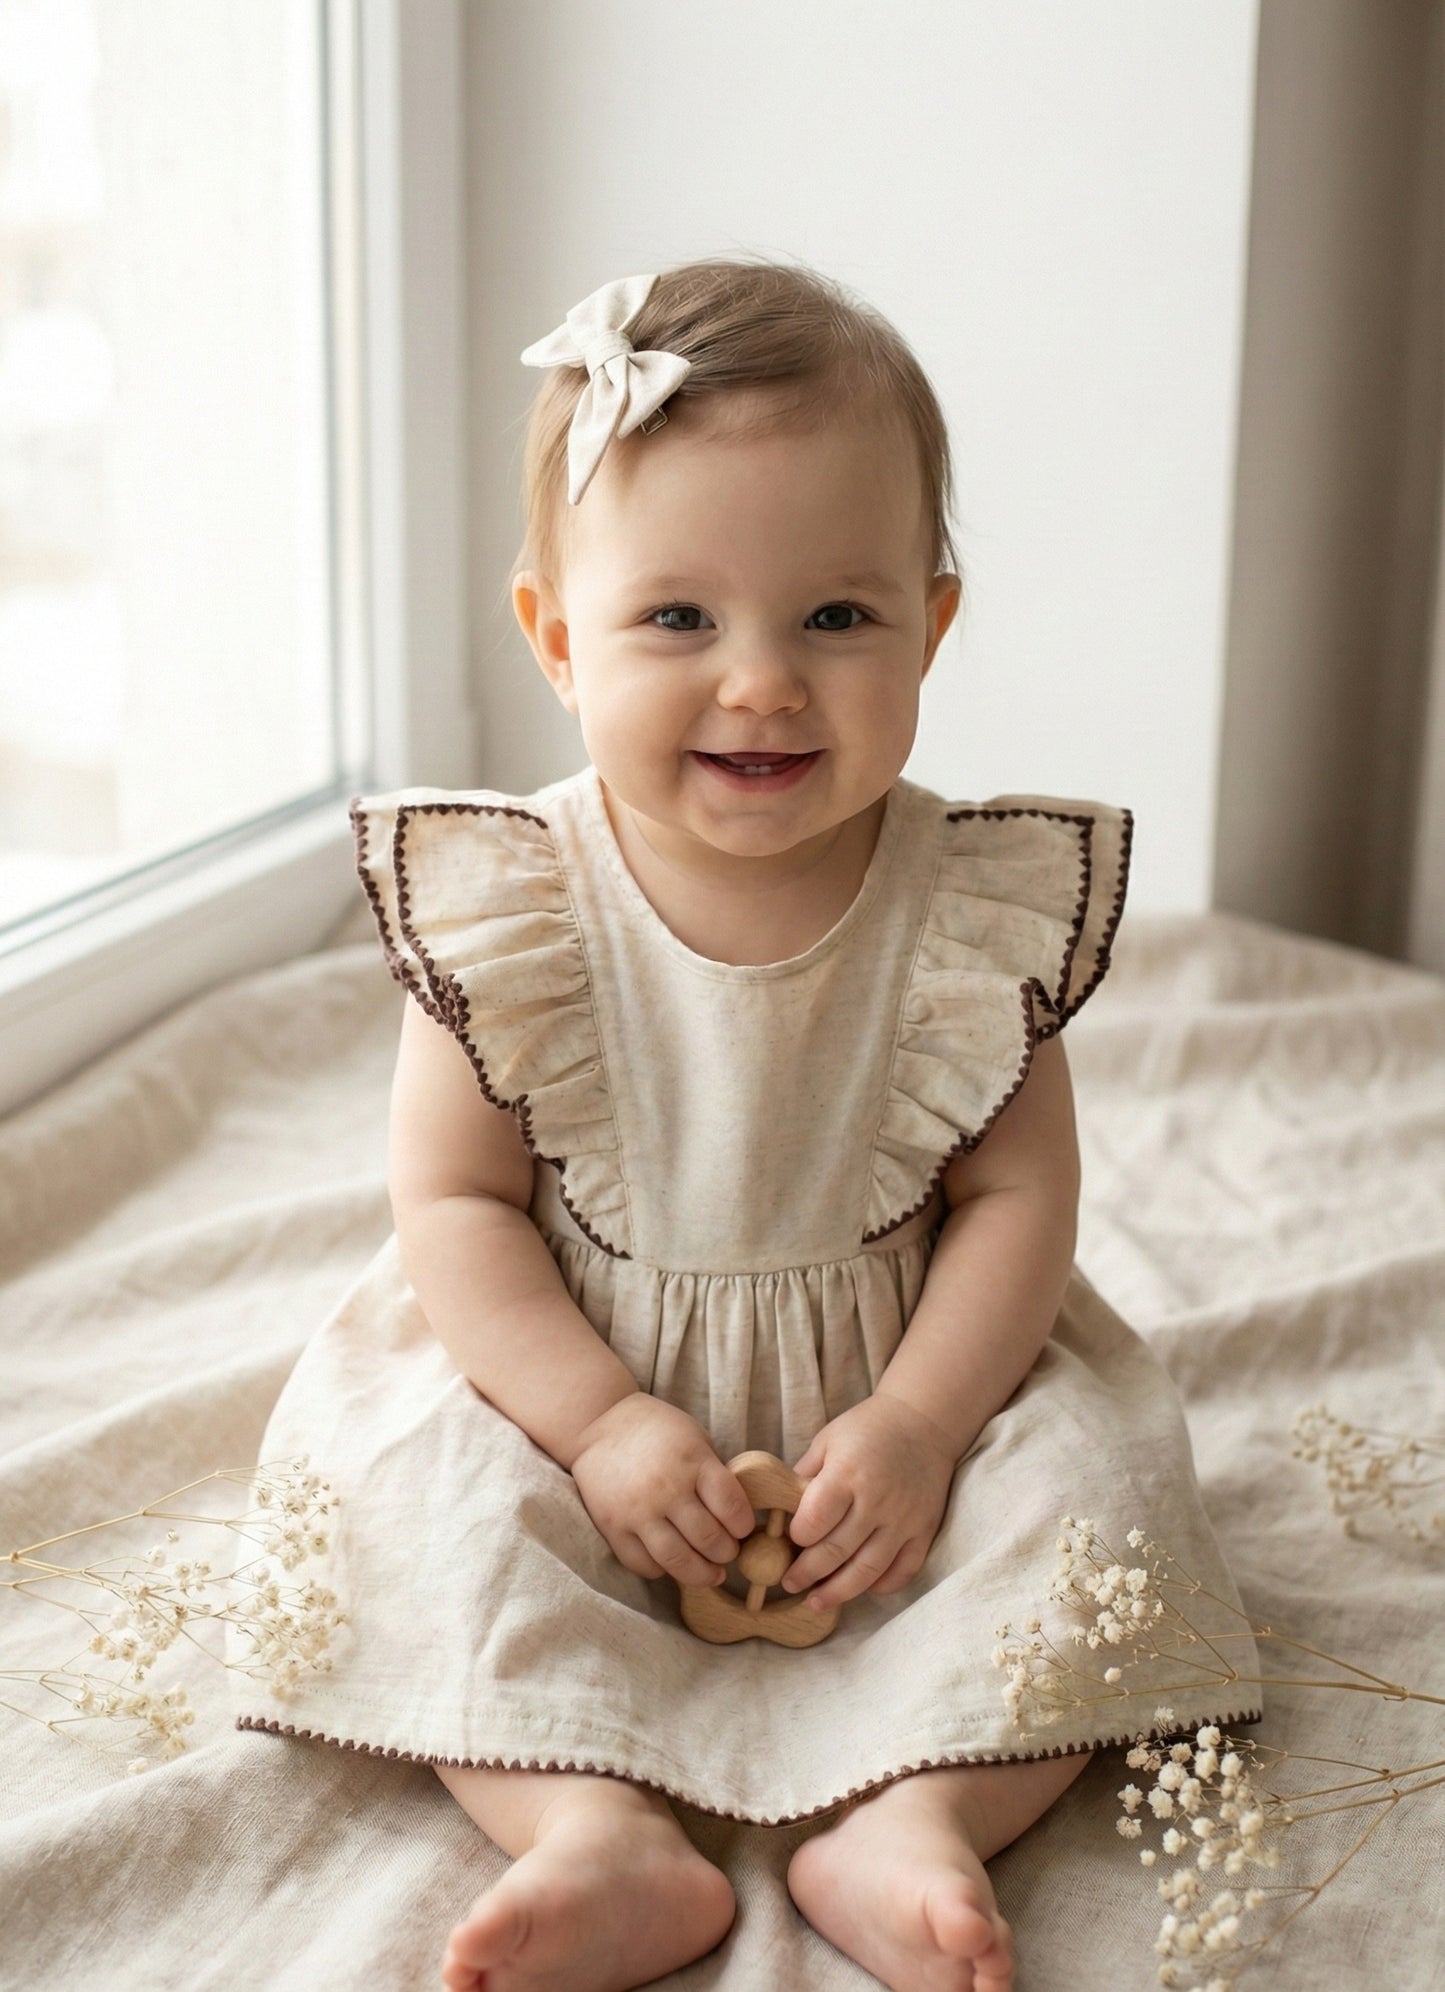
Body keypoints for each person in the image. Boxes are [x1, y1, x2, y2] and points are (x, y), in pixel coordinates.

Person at [234, 260, 1257, 1992]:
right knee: (408, 1497)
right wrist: (600, 1423)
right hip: (571, 1374)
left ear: (931, 626)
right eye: (678, 621)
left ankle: (918, 1813)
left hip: (897, 1379)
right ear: (558, 641)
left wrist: (933, 1425)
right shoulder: (516, 909)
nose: (764, 684)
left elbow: (1016, 1196)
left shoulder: (967, 909)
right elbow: (458, 1212)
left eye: (836, 620)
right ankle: (591, 1829)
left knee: (1097, 1500)